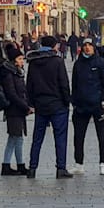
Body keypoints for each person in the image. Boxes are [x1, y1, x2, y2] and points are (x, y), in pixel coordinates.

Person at [26, 35, 72, 178]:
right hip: (57, 105)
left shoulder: (33, 62)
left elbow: (29, 85)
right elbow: (64, 83)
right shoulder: (57, 61)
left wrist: (32, 103)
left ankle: (32, 168)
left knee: (37, 138)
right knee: (60, 137)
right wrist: (67, 101)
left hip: (40, 105)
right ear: (54, 46)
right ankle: (61, 168)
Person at [70, 38, 104, 175]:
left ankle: (103, 163)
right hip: (81, 105)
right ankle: (79, 164)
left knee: (102, 135)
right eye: (85, 45)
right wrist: (74, 101)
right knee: (78, 136)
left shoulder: (101, 63)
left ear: (94, 47)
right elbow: (74, 85)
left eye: (90, 45)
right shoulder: (78, 64)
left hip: (97, 104)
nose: (87, 48)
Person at [0, 44, 32, 176]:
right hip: (13, 111)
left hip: (17, 110)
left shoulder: (16, 72)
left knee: (15, 138)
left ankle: (13, 165)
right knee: (16, 138)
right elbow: (12, 94)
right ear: (14, 60)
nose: (22, 61)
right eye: (20, 58)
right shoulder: (9, 74)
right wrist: (25, 107)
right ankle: (11, 166)